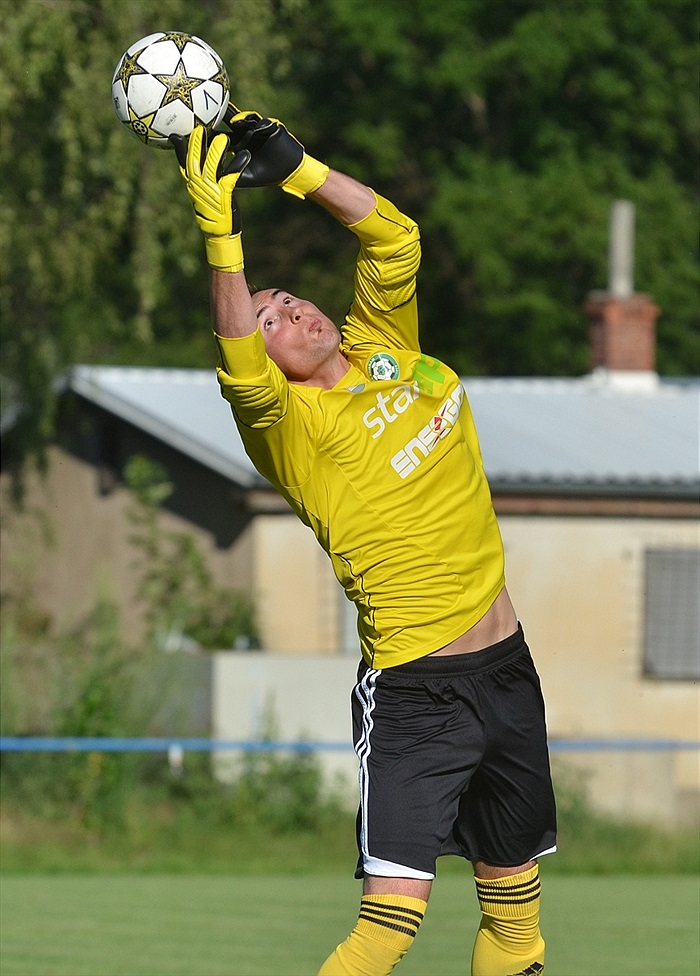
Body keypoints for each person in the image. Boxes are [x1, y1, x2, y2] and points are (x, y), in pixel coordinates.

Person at [172, 111, 557, 976]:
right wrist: (222, 240)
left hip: (508, 670)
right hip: (419, 690)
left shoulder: (386, 346)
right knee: (389, 926)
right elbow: (239, 365)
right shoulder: (288, 427)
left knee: (516, 920)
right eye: (269, 318)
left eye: (289, 298)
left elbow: (394, 238)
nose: (291, 309)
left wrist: (297, 168)